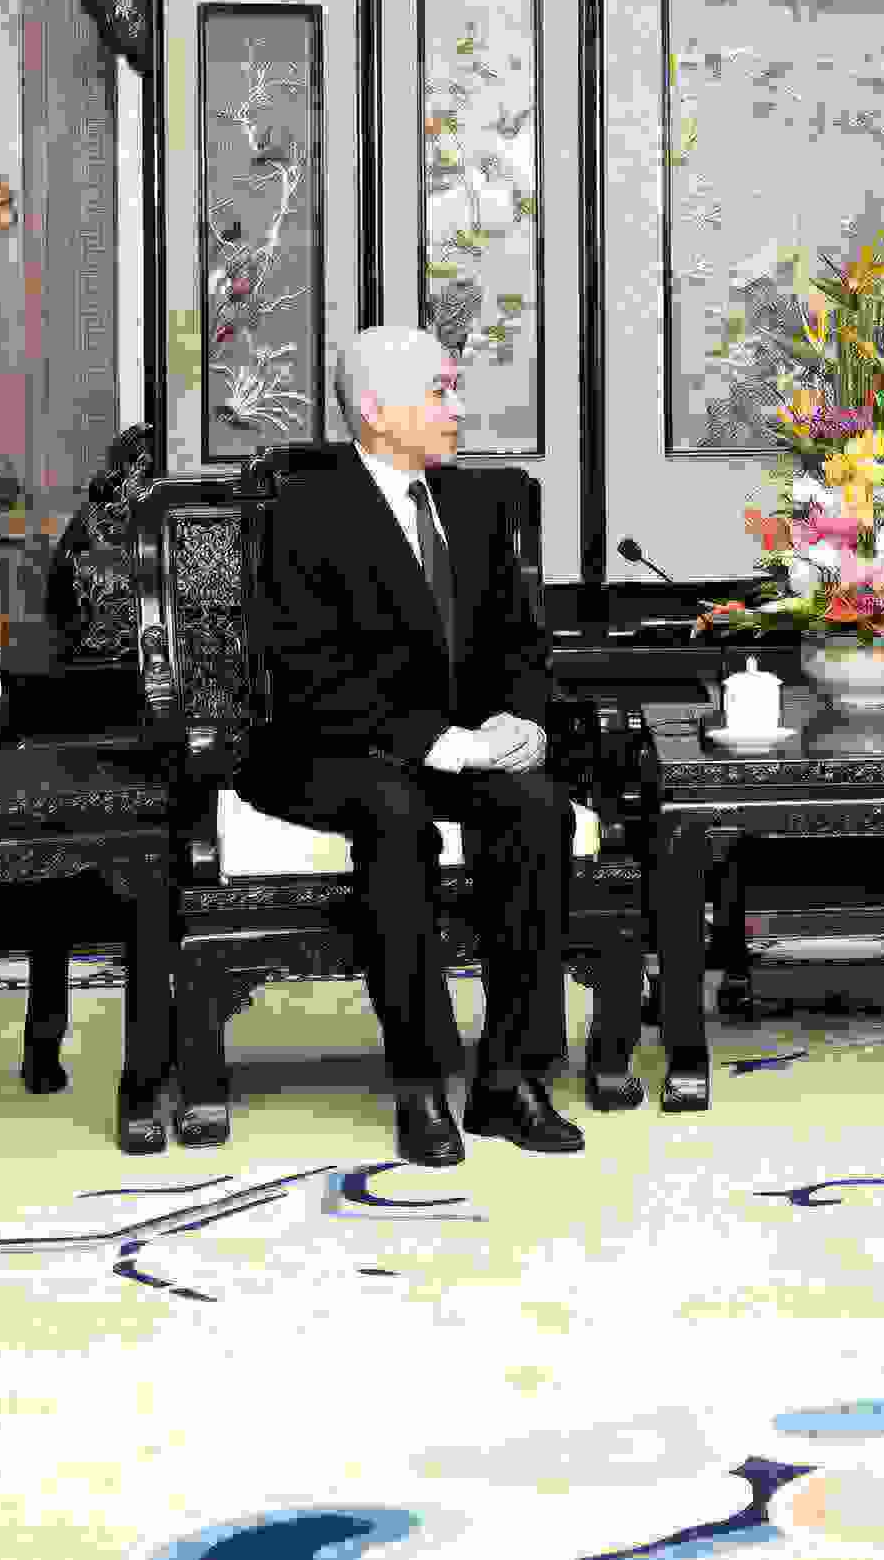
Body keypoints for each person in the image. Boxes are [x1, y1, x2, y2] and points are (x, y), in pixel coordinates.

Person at [251, 323, 581, 1167]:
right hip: (332, 748)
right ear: (374, 409)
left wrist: (523, 722)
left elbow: (520, 644)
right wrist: (441, 743)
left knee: (537, 809)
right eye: (440, 391)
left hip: (460, 745)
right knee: (394, 819)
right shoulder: (303, 512)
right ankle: (421, 1078)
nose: (457, 408)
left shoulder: (477, 503)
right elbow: (309, 675)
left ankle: (509, 1076)